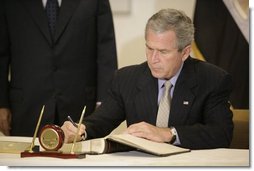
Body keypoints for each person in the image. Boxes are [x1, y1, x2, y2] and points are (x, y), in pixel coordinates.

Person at [61, 8, 233, 150]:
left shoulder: (213, 80)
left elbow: (221, 134)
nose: (153, 58)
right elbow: (102, 120)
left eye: (163, 51)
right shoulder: (126, 78)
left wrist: (168, 133)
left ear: (185, 52)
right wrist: (81, 129)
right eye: (150, 48)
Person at [0, 0, 117, 136]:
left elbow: (106, 52)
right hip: (27, 108)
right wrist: (2, 103)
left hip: (81, 108)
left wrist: (104, 104)